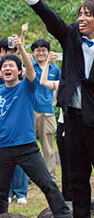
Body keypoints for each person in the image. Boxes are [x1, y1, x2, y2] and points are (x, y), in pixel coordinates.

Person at [11, 0, 94, 218]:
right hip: (72, 118)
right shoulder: (70, 37)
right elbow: (49, 16)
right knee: (77, 179)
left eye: (87, 14)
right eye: (80, 13)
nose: (81, 18)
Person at [0, 34, 72, 218]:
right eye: (4, 67)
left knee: (48, 184)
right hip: (3, 147)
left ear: (19, 71)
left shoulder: (27, 86)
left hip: (27, 147)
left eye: (11, 66)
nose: (7, 69)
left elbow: (32, 72)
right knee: (1, 190)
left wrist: (21, 48)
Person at [39, 53, 70, 201]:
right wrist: (47, 63)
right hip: (64, 125)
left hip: (84, 125)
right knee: (65, 163)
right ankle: (67, 196)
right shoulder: (62, 84)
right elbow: (43, 81)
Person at [30, 39, 60, 179]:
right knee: (29, 144)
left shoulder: (55, 69)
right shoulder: (30, 66)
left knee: (48, 146)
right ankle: (30, 176)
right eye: (38, 50)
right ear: (33, 52)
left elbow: (59, 86)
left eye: (43, 50)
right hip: (30, 110)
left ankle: (50, 177)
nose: (41, 53)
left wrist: (54, 100)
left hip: (47, 111)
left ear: (48, 52)